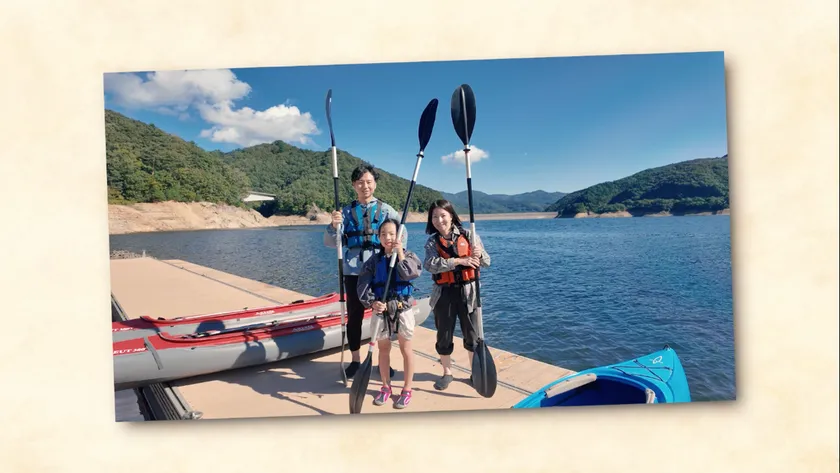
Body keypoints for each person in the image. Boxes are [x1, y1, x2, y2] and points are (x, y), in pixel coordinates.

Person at [324, 164, 404, 379]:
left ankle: (383, 362)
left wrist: (394, 253)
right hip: (353, 271)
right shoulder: (345, 213)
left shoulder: (387, 211)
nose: (365, 186)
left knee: (384, 316)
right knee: (355, 317)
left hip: (379, 270)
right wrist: (333, 226)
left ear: (375, 183)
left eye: (369, 182)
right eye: (360, 182)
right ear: (353, 185)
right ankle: (356, 360)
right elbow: (332, 242)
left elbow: (400, 236)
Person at [422, 199, 491, 391]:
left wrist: (479, 253)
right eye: (434, 216)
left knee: (472, 334)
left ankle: (474, 372)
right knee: (444, 334)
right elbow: (429, 264)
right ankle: (447, 372)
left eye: (443, 215)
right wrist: (458, 261)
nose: (439, 220)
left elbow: (487, 262)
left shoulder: (470, 235)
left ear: (451, 215)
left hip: (469, 292)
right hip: (444, 293)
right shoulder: (431, 242)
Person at [356, 218, 422, 409]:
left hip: (402, 309)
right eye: (383, 234)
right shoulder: (373, 261)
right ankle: (386, 387)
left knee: (406, 349)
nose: (388, 238)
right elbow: (363, 285)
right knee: (383, 349)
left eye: (392, 234)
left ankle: (407, 390)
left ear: (400, 236)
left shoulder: (409, 256)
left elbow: (410, 273)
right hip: (381, 310)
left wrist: (400, 253)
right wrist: (372, 303)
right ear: (378, 237)